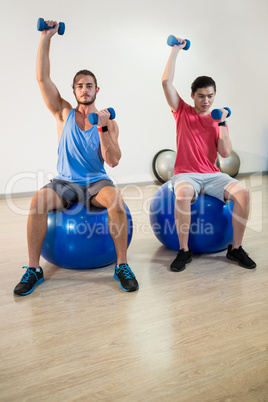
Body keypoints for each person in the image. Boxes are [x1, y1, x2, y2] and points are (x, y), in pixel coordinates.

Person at [14, 20, 139, 295]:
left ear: (97, 90)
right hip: (65, 182)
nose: (85, 89)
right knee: (37, 201)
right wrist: (46, 37)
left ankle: (121, 265)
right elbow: (42, 79)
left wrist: (103, 127)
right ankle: (34, 269)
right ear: (74, 91)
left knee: (116, 201)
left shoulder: (108, 122)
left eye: (89, 85)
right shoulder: (63, 113)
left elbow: (114, 160)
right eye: (80, 85)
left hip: (96, 182)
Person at [161, 36, 256, 272]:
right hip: (186, 174)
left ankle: (235, 248)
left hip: (213, 175)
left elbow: (225, 153)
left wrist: (222, 123)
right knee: (182, 195)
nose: (206, 101)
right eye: (201, 96)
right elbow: (165, 82)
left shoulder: (217, 121)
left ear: (215, 96)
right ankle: (184, 251)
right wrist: (175, 50)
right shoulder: (181, 111)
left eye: (210, 96)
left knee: (243, 193)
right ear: (192, 95)